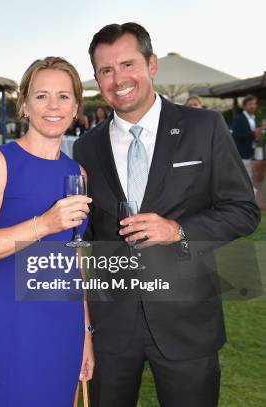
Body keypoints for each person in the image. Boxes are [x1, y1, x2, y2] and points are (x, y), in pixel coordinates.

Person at [73, 22, 260, 407]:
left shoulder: (204, 127)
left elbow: (243, 210)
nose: (118, 79)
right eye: (106, 71)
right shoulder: (86, 147)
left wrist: (179, 230)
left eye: (128, 65)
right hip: (111, 327)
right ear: (97, 78)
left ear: (151, 64)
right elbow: (86, 232)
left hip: (188, 323)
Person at [0, 56, 94, 406]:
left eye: (64, 97)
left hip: (66, 325)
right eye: (41, 95)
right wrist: (44, 225)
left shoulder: (77, 171)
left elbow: (75, 257)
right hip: (18, 326)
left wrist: (86, 332)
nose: (53, 106)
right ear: (24, 104)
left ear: (76, 106)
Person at [232, 95, 262, 183]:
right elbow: (235, 136)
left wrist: (257, 137)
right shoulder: (239, 119)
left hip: (252, 150)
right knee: (245, 176)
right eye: (250, 104)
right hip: (242, 153)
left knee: (250, 175)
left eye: (254, 103)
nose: (253, 106)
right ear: (244, 106)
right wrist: (253, 133)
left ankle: (251, 192)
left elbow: (253, 135)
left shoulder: (254, 118)